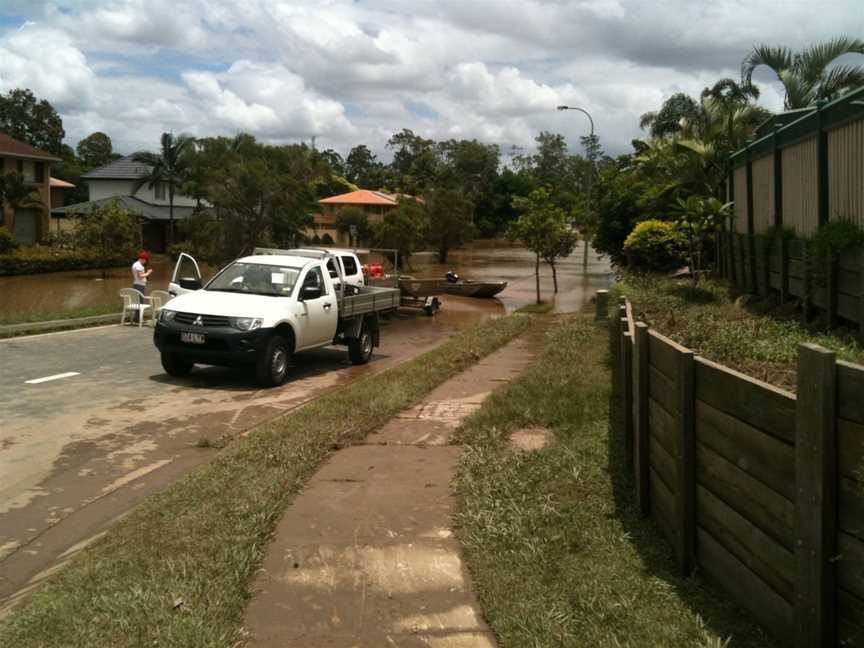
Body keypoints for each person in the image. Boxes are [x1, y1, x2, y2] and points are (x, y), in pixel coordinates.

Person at [131, 251, 153, 323]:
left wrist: (145, 276)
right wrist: (148, 273)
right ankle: (138, 319)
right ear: (143, 259)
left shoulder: (135, 264)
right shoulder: (139, 266)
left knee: (138, 302)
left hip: (136, 284)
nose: (146, 262)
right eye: (146, 260)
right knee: (140, 302)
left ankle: (136, 318)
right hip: (139, 285)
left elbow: (139, 276)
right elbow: (141, 276)